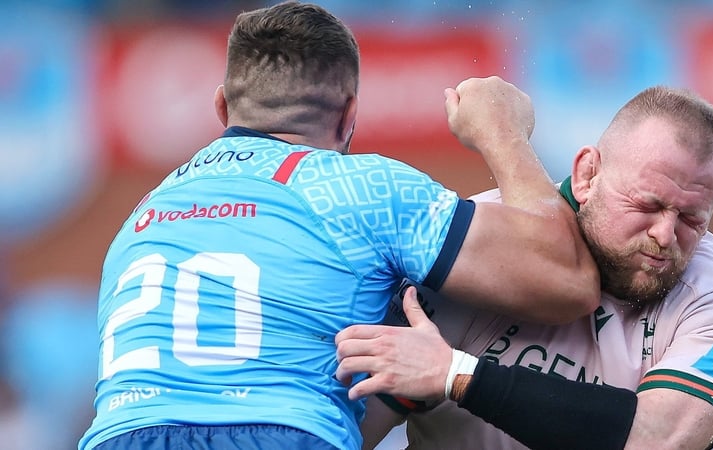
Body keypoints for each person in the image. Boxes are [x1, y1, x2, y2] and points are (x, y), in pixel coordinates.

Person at [78, 2, 603, 450]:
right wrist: (502, 132)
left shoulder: (142, 216)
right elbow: (567, 279)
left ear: (222, 106)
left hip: (118, 433)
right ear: (350, 114)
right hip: (281, 430)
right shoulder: (358, 186)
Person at [336, 85, 713, 449]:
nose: (665, 234)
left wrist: (455, 373)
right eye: (648, 204)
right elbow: (349, 432)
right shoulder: (473, 253)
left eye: (692, 219)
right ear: (587, 175)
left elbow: (656, 441)